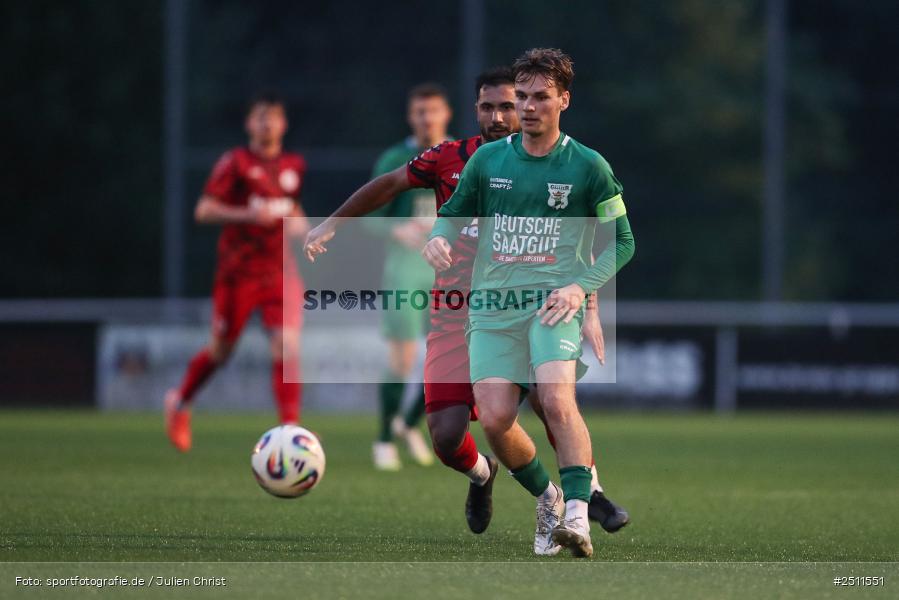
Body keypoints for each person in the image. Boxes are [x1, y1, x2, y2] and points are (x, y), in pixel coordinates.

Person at [305, 68, 629, 541]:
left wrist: (588, 303)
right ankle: (484, 475)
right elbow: (391, 185)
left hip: (525, 304)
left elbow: (578, 243)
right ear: (475, 110)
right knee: (445, 435)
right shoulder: (452, 158)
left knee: (551, 398)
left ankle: (583, 495)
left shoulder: (554, 165)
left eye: (508, 105)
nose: (499, 116)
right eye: (489, 106)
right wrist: (333, 222)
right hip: (456, 310)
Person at [423, 49, 635, 558]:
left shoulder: (588, 166)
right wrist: (438, 237)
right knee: (495, 420)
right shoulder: (488, 161)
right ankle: (550, 499)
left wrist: (580, 287)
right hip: (491, 308)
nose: (529, 106)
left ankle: (579, 519)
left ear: (564, 99)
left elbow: (622, 241)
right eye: (522, 96)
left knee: (557, 399)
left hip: (550, 306)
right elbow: (452, 214)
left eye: (541, 96)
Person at [164, 91, 310, 452]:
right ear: (249, 124)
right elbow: (204, 210)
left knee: (286, 346)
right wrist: (247, 214)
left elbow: (292, 208)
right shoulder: (236, 163)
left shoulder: (293, 165)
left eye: (273, 117)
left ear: (283, 123)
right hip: (238, 272)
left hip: (279, 271)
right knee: (222, 351)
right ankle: (180, 402)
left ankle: (290, 430)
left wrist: (306, 229)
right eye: (261, 117)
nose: (268, 124)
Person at [363, 83, 453, 470]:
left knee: (450, 361)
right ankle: (384, 438)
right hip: (405, 270)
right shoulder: (395, 158)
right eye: (419, 111)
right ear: (410, 116)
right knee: (403, 358)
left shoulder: (462, 155)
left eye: (433, 110)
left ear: (446, 114)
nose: (426, 118)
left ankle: (410, 423)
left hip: (451, 272)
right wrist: (394, 229)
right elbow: (367, 218)